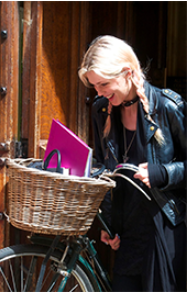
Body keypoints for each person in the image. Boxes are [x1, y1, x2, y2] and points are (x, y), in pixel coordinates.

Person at [80, 35, 186, 292]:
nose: (99, 92)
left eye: (104, 84)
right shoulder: (101, 108)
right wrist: (107, 221)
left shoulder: (167, 106)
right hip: (126, 233)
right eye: (94, 86)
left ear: (127, 72)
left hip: (162, 228)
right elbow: (107, 167)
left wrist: (162, 173)